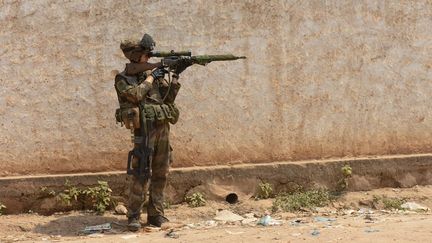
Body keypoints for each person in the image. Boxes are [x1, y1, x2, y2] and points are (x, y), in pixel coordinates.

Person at [114, 33, 186, 231]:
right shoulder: (124, 78)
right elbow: (135, 96)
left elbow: (168, 99)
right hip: (144, 131)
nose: (148, 58)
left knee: (161, 172)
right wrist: (150, 77)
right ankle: (134, 216)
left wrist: (176, 75)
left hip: (162, 128)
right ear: (135, 56)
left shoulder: (152, 76)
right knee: (140, 173)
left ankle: (156, 214)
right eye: (145, 55)